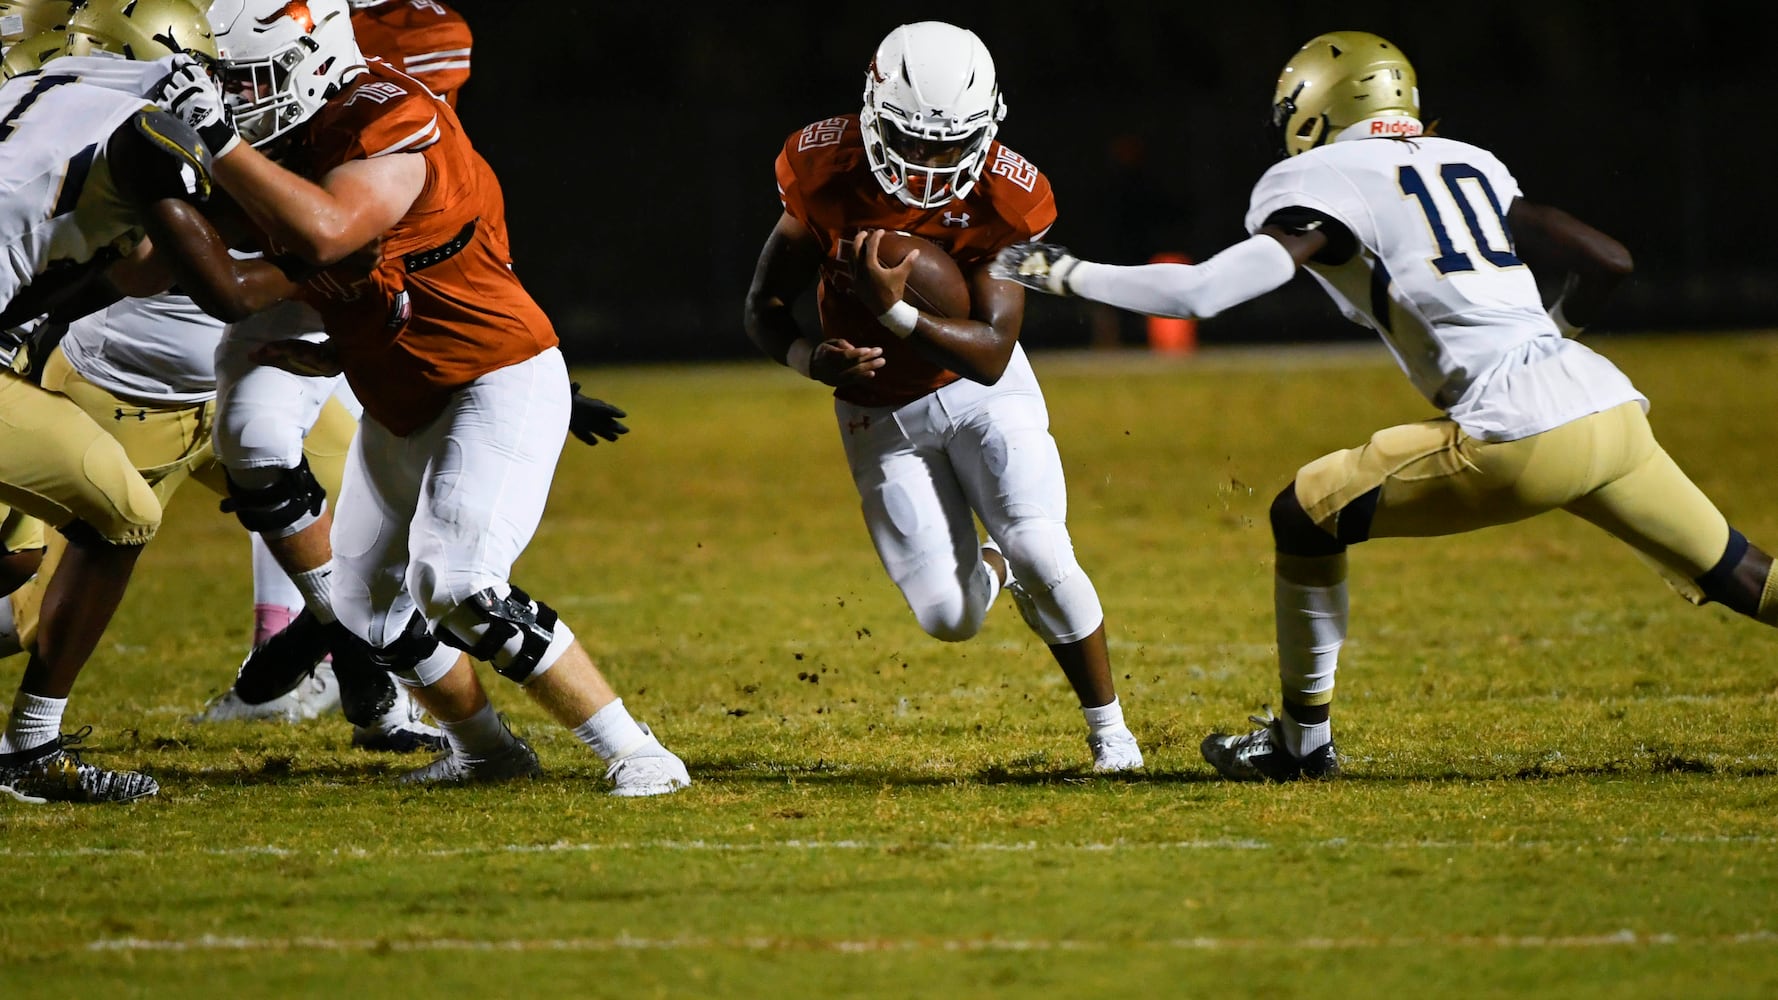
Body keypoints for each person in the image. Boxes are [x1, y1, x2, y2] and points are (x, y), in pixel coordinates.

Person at [994, 30, 1778, 781]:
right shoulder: (1467, 161)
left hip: (1516, 431)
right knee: (1743, 573)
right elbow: (1610, 259)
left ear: (1316, 108)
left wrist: (1061, 272)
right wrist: (1557, 329)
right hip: (1608, 408)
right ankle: (1301, 744)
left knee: (1304, 515)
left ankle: (1302, 745)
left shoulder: (1324, 180)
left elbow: (1203, 292)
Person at [155, 0, 687, 794]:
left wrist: (218, 146)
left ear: (313, 60)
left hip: (494, 379)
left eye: (244, 79)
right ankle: (485, 750)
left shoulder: (391, 115)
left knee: (460, 585)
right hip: (400, 397)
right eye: (220, 84)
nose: (232, 100)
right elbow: (236, 273)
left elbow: (330, 233)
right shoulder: (293, 145)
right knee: (366, 612)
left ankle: (635, 749)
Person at [743, 20, 1143, 772]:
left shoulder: (1011, 195)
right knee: (949, 617)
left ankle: (1111, 733)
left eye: (950, 142)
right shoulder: (822, 165)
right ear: (873, 113)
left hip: (980, 394)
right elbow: (763, 304)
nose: (930, 161)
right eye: (914, 140)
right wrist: (808, 358)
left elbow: (993, 354)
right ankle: (992, 564)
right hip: (877, 414)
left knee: (1043, 547)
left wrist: (892, 308)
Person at [0, 11, 337, 801]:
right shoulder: (151, 126)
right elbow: (222, 292)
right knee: (120, 513)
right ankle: (28, 750)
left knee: (17, 561)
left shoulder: (37, 85)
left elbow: (116, 269)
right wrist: (332, 259)